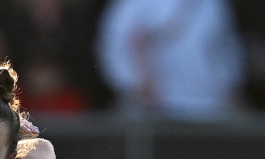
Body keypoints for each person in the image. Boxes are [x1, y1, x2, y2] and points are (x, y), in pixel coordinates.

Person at [95, 0, 246, 119]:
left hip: (210, 108)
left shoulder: (212, 3)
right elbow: (113, 44)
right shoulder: (135, 3)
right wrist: (135, 84)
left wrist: (228, 86)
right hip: (159, 108)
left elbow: (227, 48)